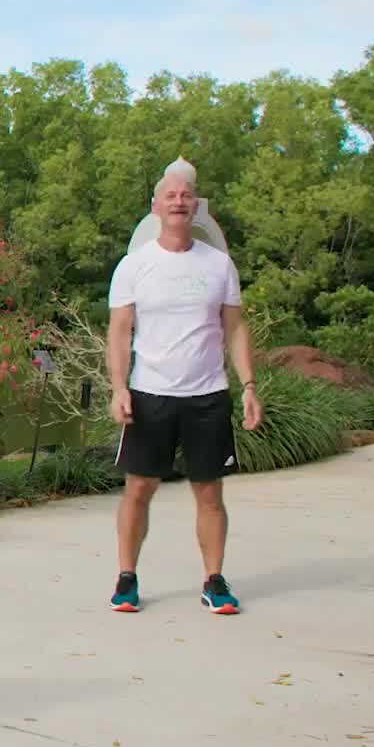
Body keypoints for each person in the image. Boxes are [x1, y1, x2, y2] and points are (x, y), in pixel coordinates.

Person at [105, 159, 261, 615]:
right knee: (139, 489)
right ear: (156, 206)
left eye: (185, 195)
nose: (178, 201)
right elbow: (120, 331)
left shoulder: (219, 265)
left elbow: (235, 328)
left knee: (210, 494)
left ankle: (214, 581)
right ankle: (126, 578)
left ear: (196, 206)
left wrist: (249, 386)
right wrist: (118, 387)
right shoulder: (135, 266)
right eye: (170, 196)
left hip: (207, 396)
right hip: (149, 394)